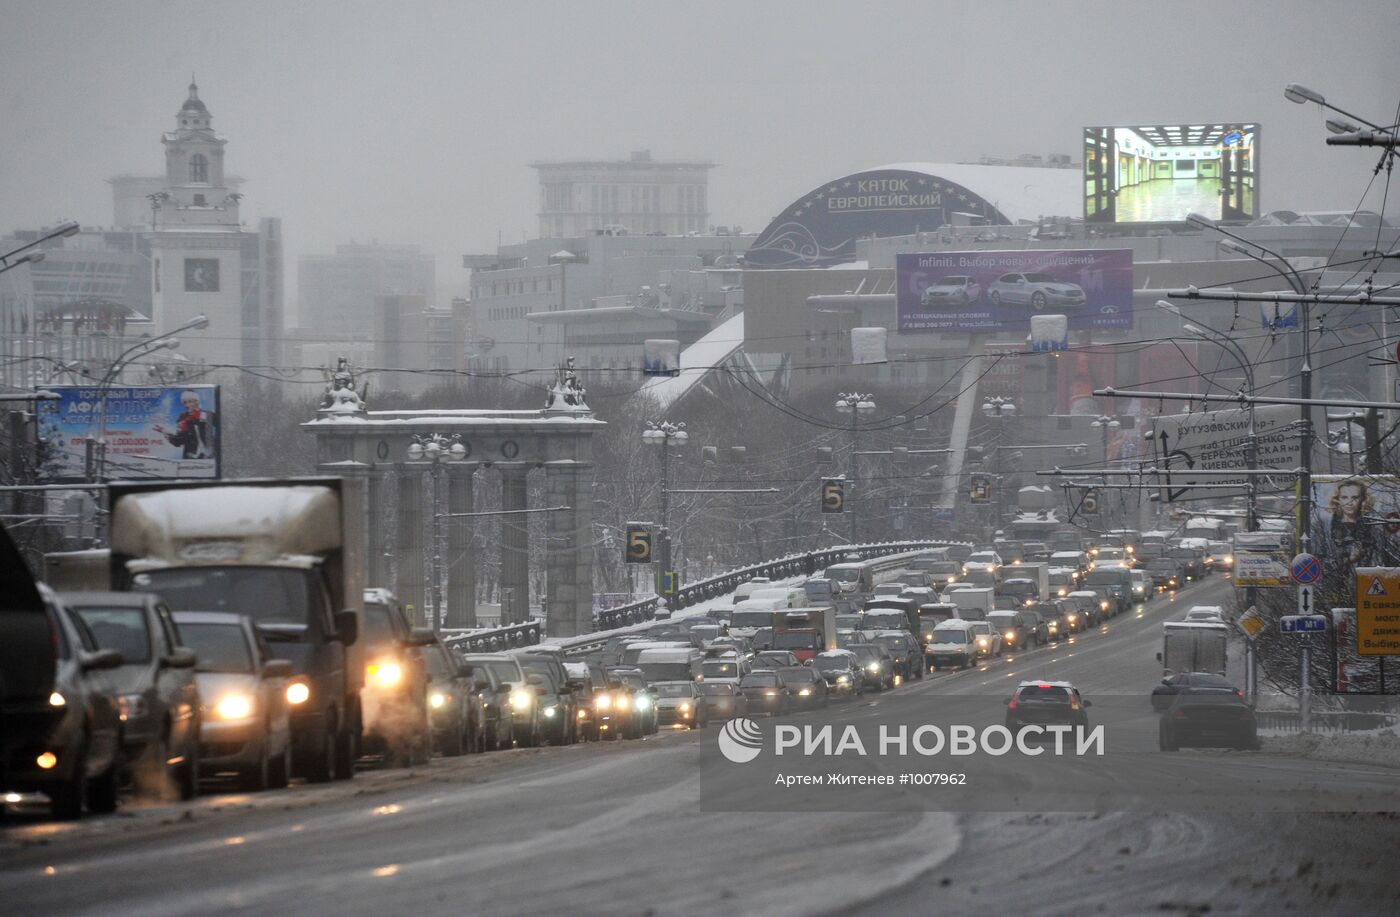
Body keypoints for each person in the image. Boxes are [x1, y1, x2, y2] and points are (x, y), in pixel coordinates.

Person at [1326, 479, 1388, 574]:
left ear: (1363, 500)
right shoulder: (1327, 528)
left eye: (1354, 498)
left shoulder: (1373, 528)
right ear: (1338, 499)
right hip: (1337, 585)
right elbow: (1322, 567)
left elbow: (1381, 562)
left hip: (1369, 583)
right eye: (1344, 497)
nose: (1349, 503)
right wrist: (1349, 559)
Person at [154, 389, 214, 459]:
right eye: (185, 402)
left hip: (209, 457)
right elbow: (178, 441)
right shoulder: (182, 418)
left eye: (190, 401)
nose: (187, 405)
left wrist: (200, 419)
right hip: (190, 458)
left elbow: (218, 427)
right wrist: (165, 432)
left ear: (197, 401)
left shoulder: (206, 414)